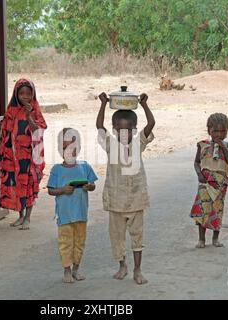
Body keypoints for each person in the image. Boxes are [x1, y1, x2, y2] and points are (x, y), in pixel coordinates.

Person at [96, 92, 155, 285]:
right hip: (116, 200)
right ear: (114, 130)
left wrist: (144, 105)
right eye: (120, 130)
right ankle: (122, 265)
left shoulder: (139, 143)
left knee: (137, 236)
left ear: (134, 130)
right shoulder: (110, 145)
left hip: (136, 199)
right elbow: (99, 126)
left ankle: (138, 269)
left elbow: (151, 125)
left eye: (128, 130)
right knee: (117, 236)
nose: (124, 134)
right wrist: (104, 104)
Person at [0, 78, 47, 230]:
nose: (25, 96)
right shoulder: (12, 109)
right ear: (16, 94)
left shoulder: (34, 109)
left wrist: (28, 116)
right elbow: (6, 127)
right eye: (22, 93)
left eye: (28, 93)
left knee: (29, 185)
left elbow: (37, 130)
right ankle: (20, 217)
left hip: (30, 157)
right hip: (14, 158)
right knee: (17, 185)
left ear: (33, 94)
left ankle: (28, 217)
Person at [47, 128, 98, 283]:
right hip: (65, 215)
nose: (69, 151)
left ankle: (76, 269)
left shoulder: (85, 167)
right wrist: (62, 190)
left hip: (81, 214)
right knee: (65, 243)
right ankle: (66, 270)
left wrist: (89, 187)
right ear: (59, 149)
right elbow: (50, 190)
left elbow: (93, 185)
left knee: (80, 242)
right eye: (65, 148)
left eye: (73, 148)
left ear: (79, 148)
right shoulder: (56, 170)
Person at [190, 113, 228, 248]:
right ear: (209, 130)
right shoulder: (203, 145)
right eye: (215, 131)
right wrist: (199, 173)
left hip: (220, 185)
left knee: (217, 209)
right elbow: (196, 162)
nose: (219, 134)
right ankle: (201, 239)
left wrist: (222, 147)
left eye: (223, 131)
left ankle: (215, 239)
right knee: (202, 209)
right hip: (205, 184)